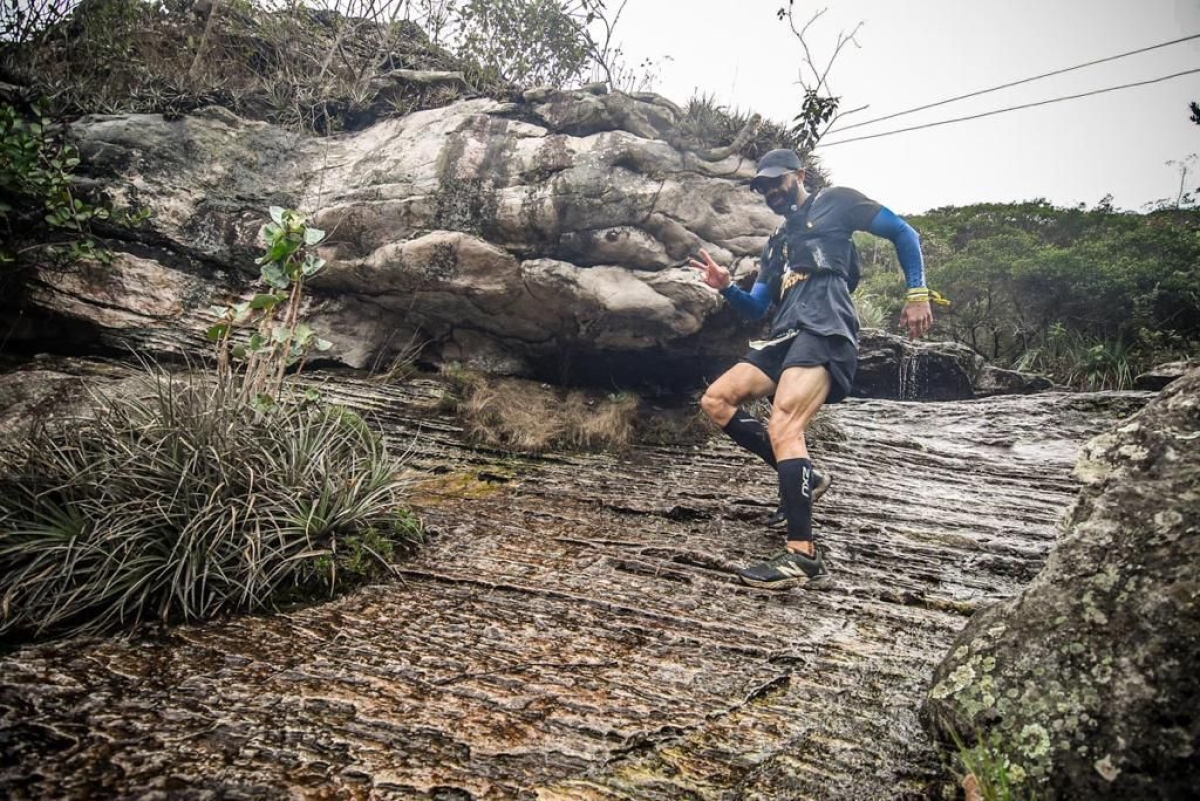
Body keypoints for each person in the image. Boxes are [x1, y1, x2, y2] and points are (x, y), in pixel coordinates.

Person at [689, 147, 936, 590]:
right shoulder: (777, 243)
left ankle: (801, 555)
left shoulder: (837, 202)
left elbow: (903, 232)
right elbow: (756, 307)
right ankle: (810, 477)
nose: (771, 193)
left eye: (776, 182)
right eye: (762, 188)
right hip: (785, 334)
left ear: (799, 175)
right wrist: (727, 288)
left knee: (785, 424)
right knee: (716, 400)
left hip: (826, 328)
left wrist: (917, 294)